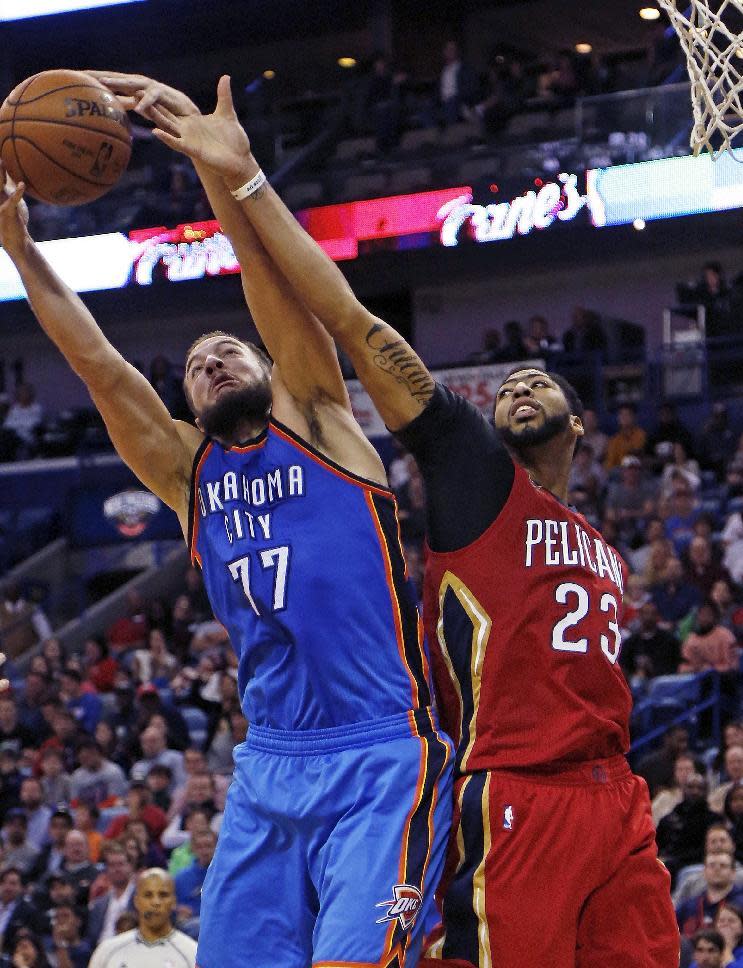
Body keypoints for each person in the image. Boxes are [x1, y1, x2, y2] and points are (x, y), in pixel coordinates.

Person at [134, 70, 679, 966]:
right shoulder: (472, 471)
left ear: (580, 426)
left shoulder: (601, 544)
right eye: (509, 381)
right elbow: (344, 318)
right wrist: (242, 181)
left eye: (543, 382)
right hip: (514, 789)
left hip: (614, 793)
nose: (521, 382)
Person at [0, 72, 452, 968]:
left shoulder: (321, 417)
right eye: (196, 363)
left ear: (268, 368)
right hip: (269, 769)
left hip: (379, 759)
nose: (210, 360)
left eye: (229, 351)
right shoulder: (187, 473)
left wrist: (222, 171)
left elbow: (269, 281)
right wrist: (17, 248)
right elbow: (96, 362)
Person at [88, 869, 196, 968]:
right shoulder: (107, 951)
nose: (155, 902)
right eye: (148, 895)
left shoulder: (192, 953)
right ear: (136, 901)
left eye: (163, 895)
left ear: (173, 902)